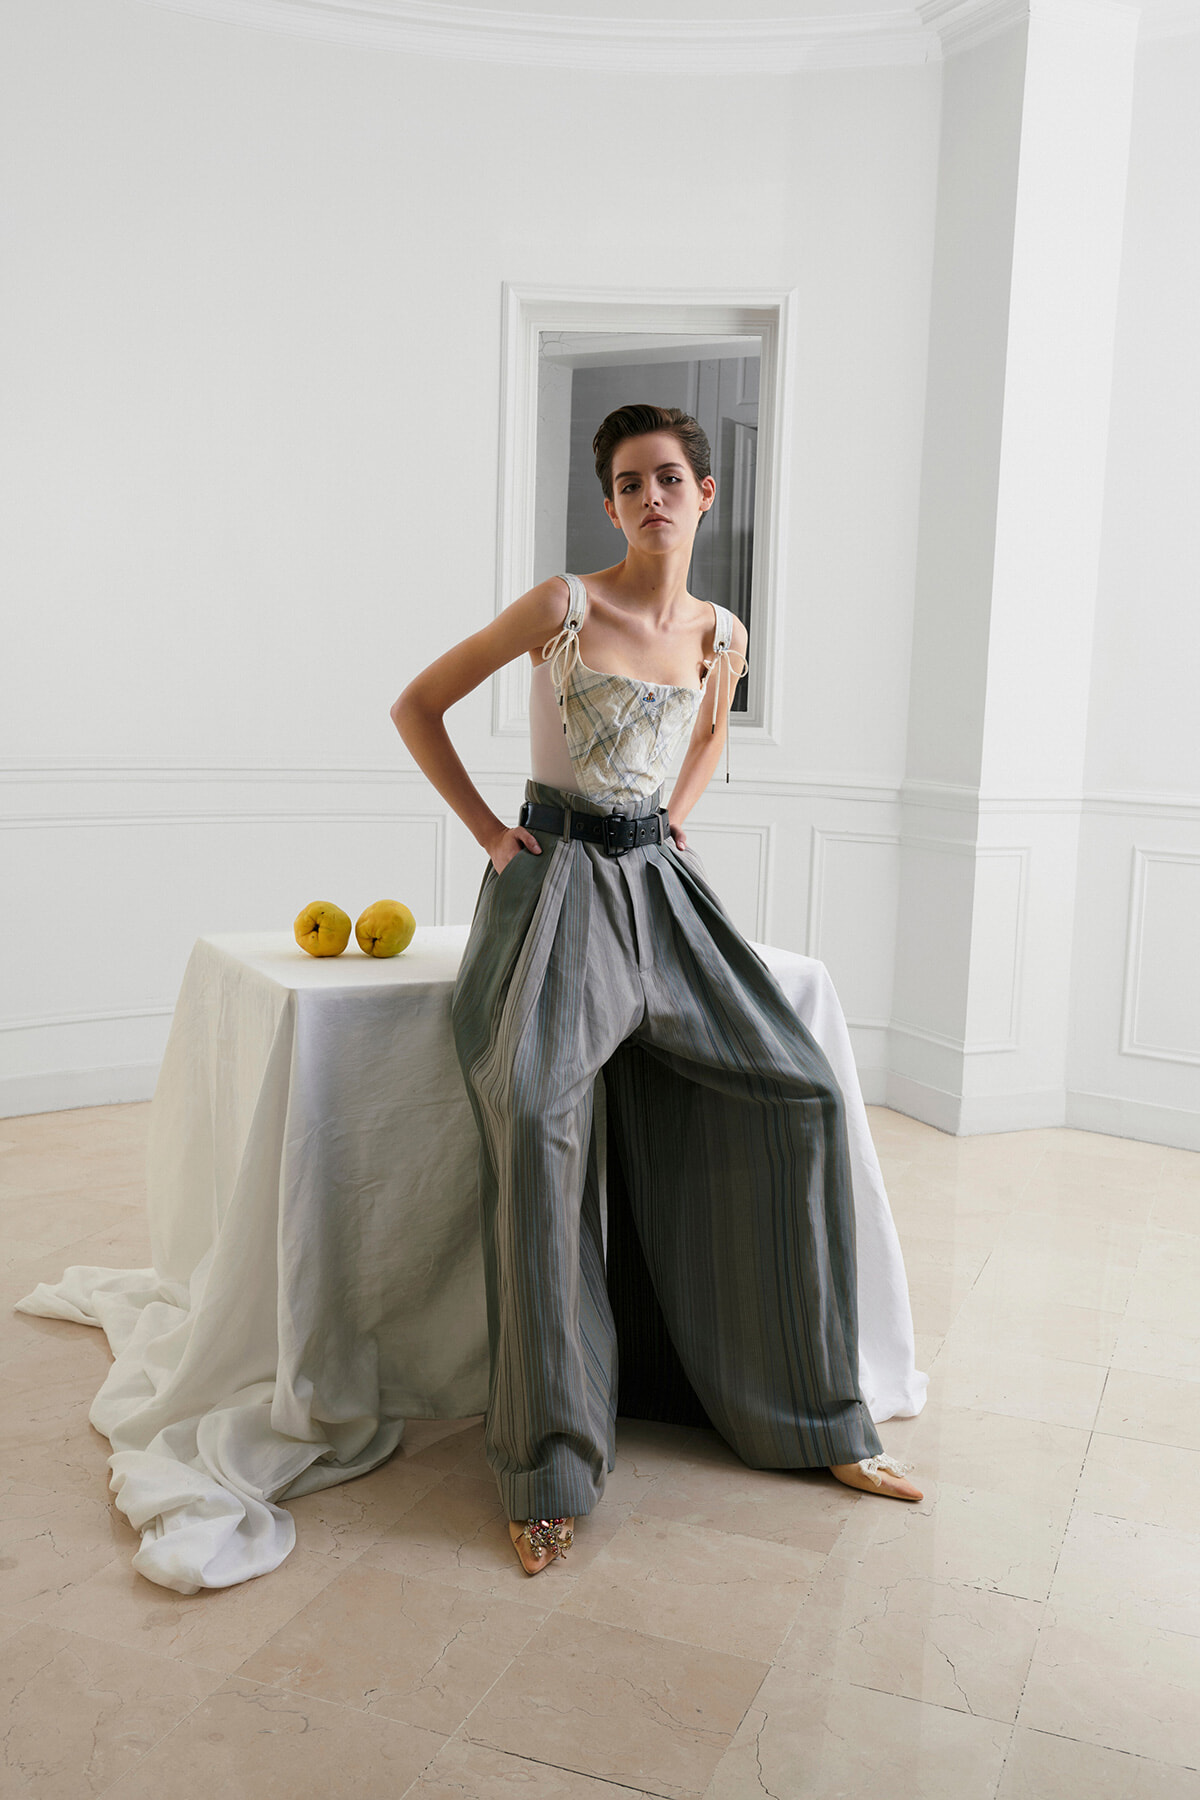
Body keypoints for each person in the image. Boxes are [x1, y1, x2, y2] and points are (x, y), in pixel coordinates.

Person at [392, 402, 921, 1576]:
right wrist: (490, 833)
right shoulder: (561, 606)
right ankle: (546, 1467)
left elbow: (709, 735)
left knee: (802, 1091)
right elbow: (415, 706)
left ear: (706, 493)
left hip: (656, 884)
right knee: (534, 1111)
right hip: (555, 883)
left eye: (670, 477)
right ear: (610, 504)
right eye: (629, 483)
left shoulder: (723, 632)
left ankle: (814, 1418)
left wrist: (677, 821)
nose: (651, 498)